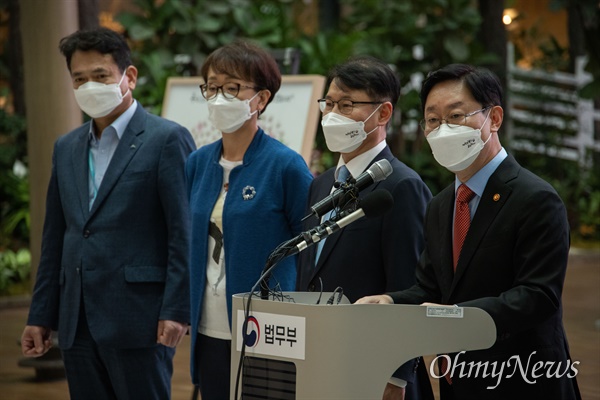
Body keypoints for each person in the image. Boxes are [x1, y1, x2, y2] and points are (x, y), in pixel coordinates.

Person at [357, 64, 582, 400]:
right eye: (433, 120)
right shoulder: (441, 204)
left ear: (494, 118)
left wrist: (460, 317)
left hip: (524, 378)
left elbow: (539, 296)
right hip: (459, 380)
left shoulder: (535, 198)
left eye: (456, 115)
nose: (442, 129)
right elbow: (432, 288)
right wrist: (390, 300)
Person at [20, 28, 195, 400]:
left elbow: (183, 232)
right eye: (79, 79)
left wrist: (177, 309)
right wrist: (40, 315)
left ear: (128, 77)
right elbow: (56, 237)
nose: (89, 86)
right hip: (76, 319)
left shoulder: (166, 139)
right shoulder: (66, 148)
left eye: (100, 76)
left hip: (139, 318)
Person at [296, 56, 434, 400]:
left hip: (373, 369)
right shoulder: (322, 184)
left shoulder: (402, 187)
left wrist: (396, 376)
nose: (332, 114)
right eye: (328, 103)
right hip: (319, 357)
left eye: (346, 105)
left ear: (383, 113)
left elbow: (409, 287)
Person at [185, 40, 313, 400]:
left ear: (261, 99)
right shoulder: (197, 163)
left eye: (232, 87)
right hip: (208, 324)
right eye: (211, 87)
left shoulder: (285, 165)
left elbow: (311, 247)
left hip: (267, 328)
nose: (218, 97)